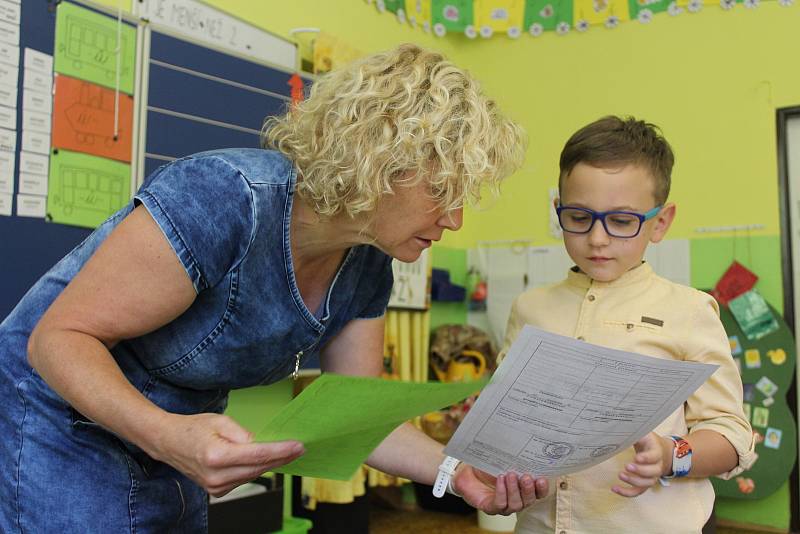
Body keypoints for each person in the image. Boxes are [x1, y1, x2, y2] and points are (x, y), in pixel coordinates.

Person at [0, 44, 548, 532]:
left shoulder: (368, 264)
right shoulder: (224, 197)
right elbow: (58, 339)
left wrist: (458, 473)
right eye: (442, 192)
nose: (454, 219)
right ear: (381, 163)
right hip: (55, 409)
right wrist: (165, 435)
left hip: (178, 430)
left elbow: (354, 416)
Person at [500, 116, 755, 533]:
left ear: (660, 222)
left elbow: (730, 435)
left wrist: (672, 454)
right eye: (579, 217)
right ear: (557, 210)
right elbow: (509, 418)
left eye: (621, 221)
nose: (598, 239)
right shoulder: (530, 308)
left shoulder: (689, 311)